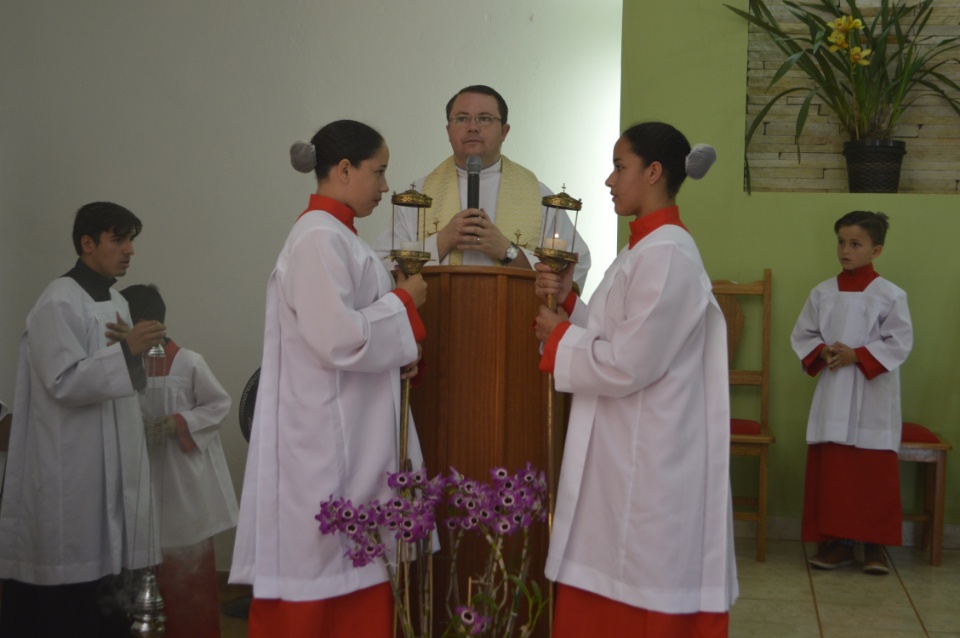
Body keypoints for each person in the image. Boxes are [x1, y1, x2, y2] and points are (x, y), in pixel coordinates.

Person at [534, 122, 737, 636]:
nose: (608, 179)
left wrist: (559, 338)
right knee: (611, 565)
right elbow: (615, 334)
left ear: (653, 172)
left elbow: (628, 363)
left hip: (649, 456)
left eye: (620, 167)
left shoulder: (667, 255)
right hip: (625, 444)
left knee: (643, 578)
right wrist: (569, 307)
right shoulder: (641, 250)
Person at [229, 120, 428, 638]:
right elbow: (338, 338)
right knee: (315, 580)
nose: (386, 187)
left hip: (348, 435)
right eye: (378, 172)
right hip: (323, 444)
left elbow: (356, 332)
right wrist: (403, 303)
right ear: (343, 170)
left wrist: (396, 349)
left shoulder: (336, 236)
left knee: (350, 574)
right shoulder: (318, 238)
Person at [0, 202, 167, 638]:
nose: (129, 250)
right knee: (70, 589)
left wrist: (133, 357)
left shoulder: (115, 300)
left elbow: (128, 382)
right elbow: (63, 382)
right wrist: (126, 350)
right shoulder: (57, 301)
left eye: (131, 240)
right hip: (72, 464)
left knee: (111, 587)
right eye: (118, 239)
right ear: (87, 243)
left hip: (114, 463)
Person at [375, 84, 592, 292]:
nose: (473, 127)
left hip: (512, 319)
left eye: (485, 118)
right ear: (448, 131)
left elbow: (576, 266)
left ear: (504, 131)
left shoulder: (538, 195)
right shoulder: (419, 196)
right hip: (437, 318)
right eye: (462, 118)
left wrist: (508, 252)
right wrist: (442, 241)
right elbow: (381, 268)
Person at [790, 211, 912, 575]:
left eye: (855, 243)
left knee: (872, 472)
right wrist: (824, 352)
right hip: (835, 388)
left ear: (876, 250)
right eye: (841, 242)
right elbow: (804, 335)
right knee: (836, 471)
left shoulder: (891, 295)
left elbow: (900, 342)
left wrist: (858, 354)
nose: (845, 249)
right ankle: (838, 544)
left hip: (873, 393)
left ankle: (874, 546)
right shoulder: (822, 293)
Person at [120, 283, 238, 638]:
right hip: (141, 478)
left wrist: (177, 422)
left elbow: (219, 405)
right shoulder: (122, 364)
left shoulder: (188, 362)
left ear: (145, 322)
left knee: (188, 577)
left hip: (182, 482)